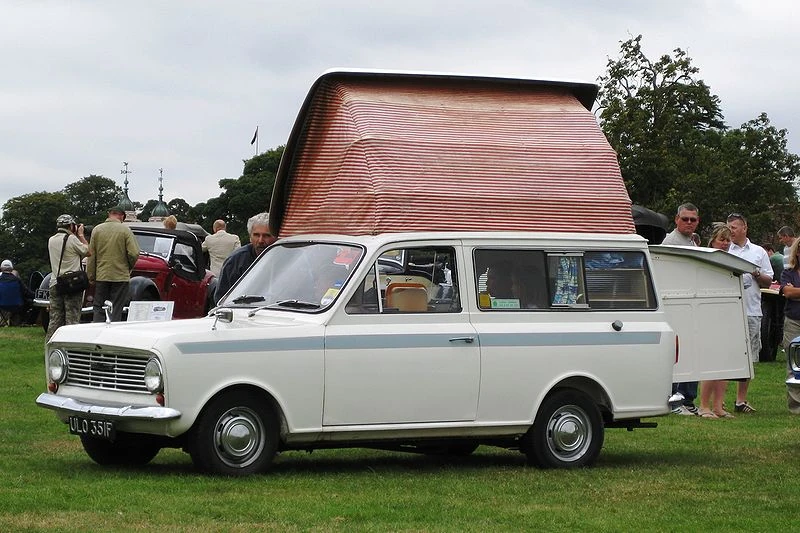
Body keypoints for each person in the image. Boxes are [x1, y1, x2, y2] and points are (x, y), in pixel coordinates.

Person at [727, 213, 773, 413]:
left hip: (751, 310)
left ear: (744, 228)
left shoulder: (758, 252)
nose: (731, 231)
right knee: (725, 354)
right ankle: (716, 401)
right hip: (727, 311)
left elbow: (768, 281)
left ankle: (740, 401)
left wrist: (754, 272)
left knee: (748, 358)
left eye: (734, 228)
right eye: (728, 228)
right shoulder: (724, 249)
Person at [663, 203, 700, 415]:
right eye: (684, 219)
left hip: (690, 304)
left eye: (692, 220)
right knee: (678, 354)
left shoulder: (692, 241)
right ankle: (676, 400)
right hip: (677, 304)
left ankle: (688, 400)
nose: (688, 223)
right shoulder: (671, 242)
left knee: (691, 352)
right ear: (676, 219)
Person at [697, 225, 735, 418]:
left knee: (724, 362)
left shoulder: (732, 261)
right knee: (711, 362)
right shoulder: (704, 258)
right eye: (722, 239)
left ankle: (719, 406)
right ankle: (704, 406)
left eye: (728, 240)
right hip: (708, 313)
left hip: (727, 313)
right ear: (713, 240)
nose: (725, 243)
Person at [87, 205, 140, 322]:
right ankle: (112, 334)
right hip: (120, 276)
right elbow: (134, 253)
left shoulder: (97, 230)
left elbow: (91, 256)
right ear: (121, 216)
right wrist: (128, 267)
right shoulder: (126, 230)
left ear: (109, 214)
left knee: (99, 307)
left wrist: (91, 276)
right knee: (116, 308)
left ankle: (97, 332)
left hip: (102, 275)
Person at [46, 214, 90, 341]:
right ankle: (69, 347)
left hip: (55, 282)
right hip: (72, 284)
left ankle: (50, 346)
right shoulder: (71, 239)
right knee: (72, 319)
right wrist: (81, 235)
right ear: (71, 226)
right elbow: (88, 252)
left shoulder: (51, 240)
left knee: (55, 319)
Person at [214, 212, 275, 303]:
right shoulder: (235, 261)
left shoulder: (290, 260)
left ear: (276, 237)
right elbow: (222, 298)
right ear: (250, 237)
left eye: (266, 235)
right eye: (256, 235)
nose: (261, 240)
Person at [779, 237, 800, 414]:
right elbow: (787, 292)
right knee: (794, 363)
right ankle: (796, 406)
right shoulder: (788, 272)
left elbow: (793, 292)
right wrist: (791, 291)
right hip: (793, 322)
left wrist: (796, 291)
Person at [0, 259, 34, 326]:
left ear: (1, 268)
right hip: (17, 306)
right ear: (11, 269)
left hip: (1, 306)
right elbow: (26, 292)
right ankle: (22, 321)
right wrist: (35, 295)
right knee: (28, 302)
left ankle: (6, 322)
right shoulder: (17, 280)